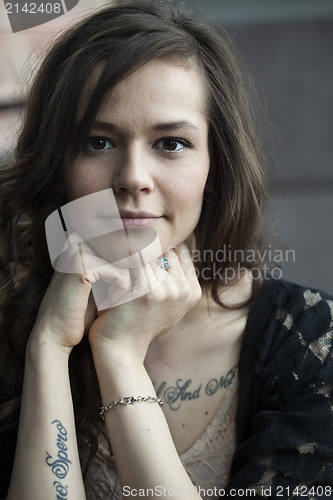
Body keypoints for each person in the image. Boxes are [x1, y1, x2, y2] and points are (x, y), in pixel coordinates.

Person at [0, 1, 332, 498]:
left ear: (215, 165)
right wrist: (47, 348)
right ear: (58, 163)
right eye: (98, 142)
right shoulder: (12, 324)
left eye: (171, 143)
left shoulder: (313, 340)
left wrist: (118, 356)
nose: (133, 177)